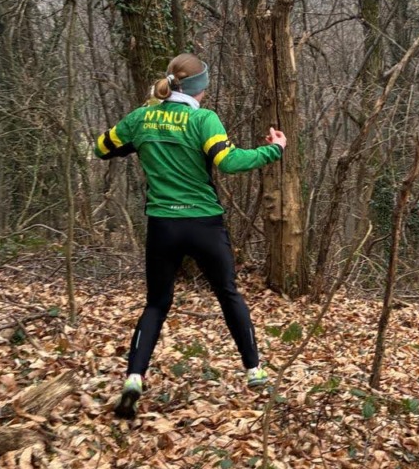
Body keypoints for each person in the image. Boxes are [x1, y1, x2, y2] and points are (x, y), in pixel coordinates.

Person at [93, 52, 286, 419]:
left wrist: (140, 136)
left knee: (156, 304)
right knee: (228, 294)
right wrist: (273, 150)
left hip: (162, 226)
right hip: (204, 225)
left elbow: (102, 147)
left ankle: (134, 377)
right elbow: (229, 162)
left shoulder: (141, 118)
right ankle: (255, 372)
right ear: (202, 88)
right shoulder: (203, 120)